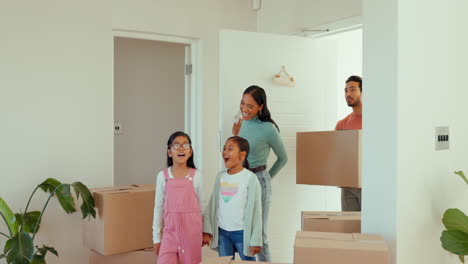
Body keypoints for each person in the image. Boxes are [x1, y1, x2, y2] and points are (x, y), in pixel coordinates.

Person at [232, 85, 287, 262]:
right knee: (243, 232)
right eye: (242, 104)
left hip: (259, 180)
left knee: (259, 236)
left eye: (250, 106)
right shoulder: (241, 124)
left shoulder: (269, 129)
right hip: (241, 179)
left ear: (261, 106)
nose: (244, 109)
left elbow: (283, 158)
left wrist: (267, 178)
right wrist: (235, 136)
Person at [202, 136, 263, 261]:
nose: (225, 152)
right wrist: (207, 230)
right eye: (224, 148)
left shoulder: (250, 179)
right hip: (223, 233)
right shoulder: (220, 177)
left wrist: (256, 239)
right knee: (225, 262)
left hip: (242, 233)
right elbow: (212, 205)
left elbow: (256, 211)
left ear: (242, 155)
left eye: (230, 149)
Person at [152, 131, 204, 264]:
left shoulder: (196, 176)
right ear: (169, 152)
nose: (181, 148)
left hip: (192, 234)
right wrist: (156, 237)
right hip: (170, 233)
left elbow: (203, 206)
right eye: (176, 145)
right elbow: (158, 207)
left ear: (190, 151)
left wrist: (205, 231)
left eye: (185, 145)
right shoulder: (162, 176)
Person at [335, 75, 363, 211]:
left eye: (352, 89)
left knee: (370, 229)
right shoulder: (341, 124)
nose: (348, 94)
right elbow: (335, 154)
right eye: (346, 91)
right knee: (350, 228)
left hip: (369, 184)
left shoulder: (375, 120)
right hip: (347, 186)